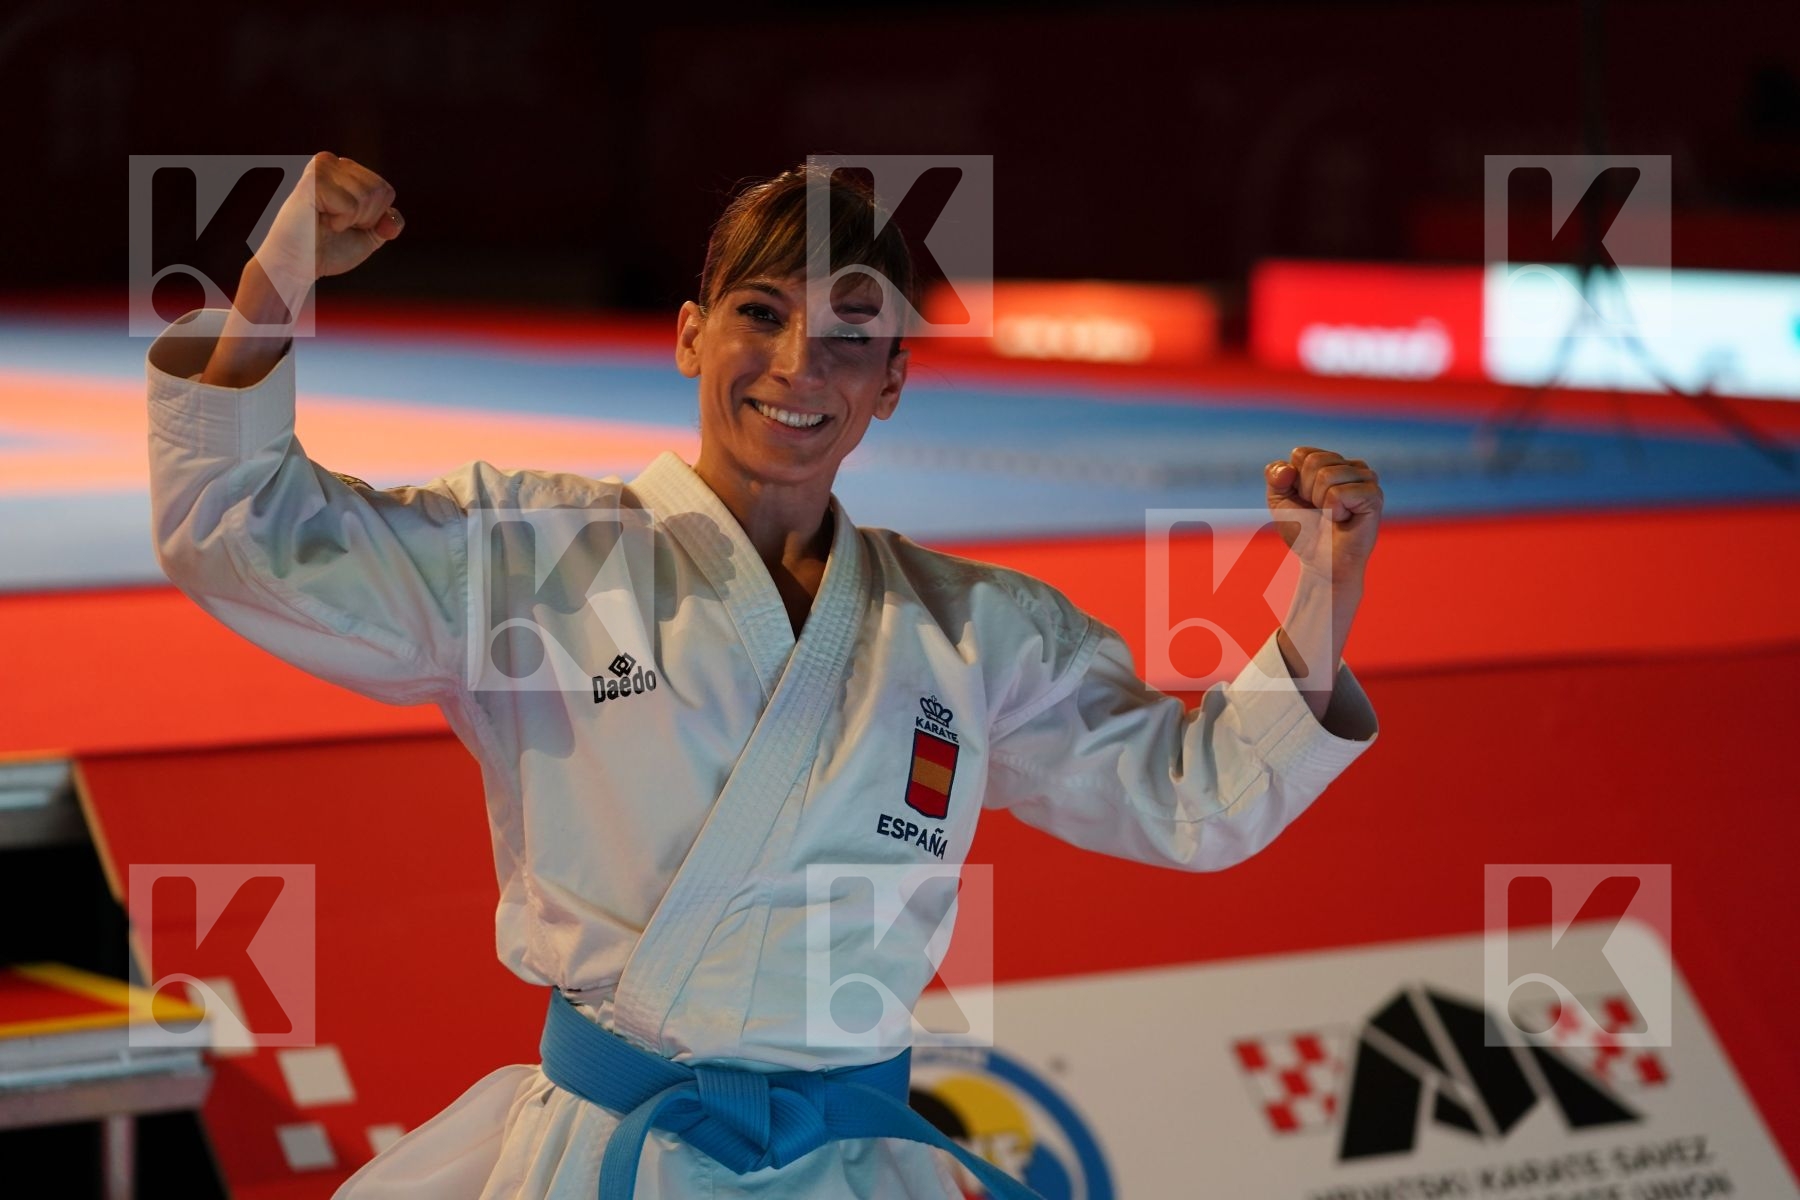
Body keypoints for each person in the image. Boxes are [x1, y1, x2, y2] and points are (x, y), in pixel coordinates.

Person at [145, 151, 1382, 1199]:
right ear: (691, 335)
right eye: (760, 314)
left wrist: (1322, 588)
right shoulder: (540, 559)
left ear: (892, 381)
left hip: (853, 1169)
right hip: (615, 1155)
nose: (799, 364)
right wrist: (277, 279)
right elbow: (240, 533)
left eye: (850, 337)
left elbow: (1198, 800)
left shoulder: (976, 630)